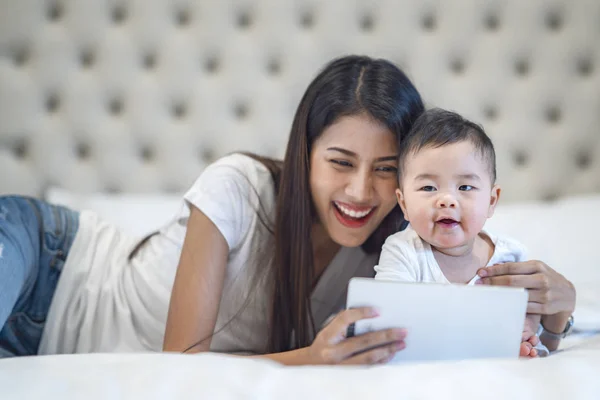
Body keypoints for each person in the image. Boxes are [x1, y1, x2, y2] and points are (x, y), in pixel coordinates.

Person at [0, 56, 574, 364]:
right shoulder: (241, 186)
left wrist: (559, 310)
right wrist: (311, 359)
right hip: (48, 263)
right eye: (340, 162)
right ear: (304, 156)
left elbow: (472, 317)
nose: (359, 192)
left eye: (383, 169)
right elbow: (180, 363)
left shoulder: (393, 256)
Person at [374, 108, 571, 356]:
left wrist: (528, 329)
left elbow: (540, 328)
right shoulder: (403, 251)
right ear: (403, 204)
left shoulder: (510, 256)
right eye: (428, 187)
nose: (447, 200)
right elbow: (388, 316)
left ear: (491, 200)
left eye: (465, 186)